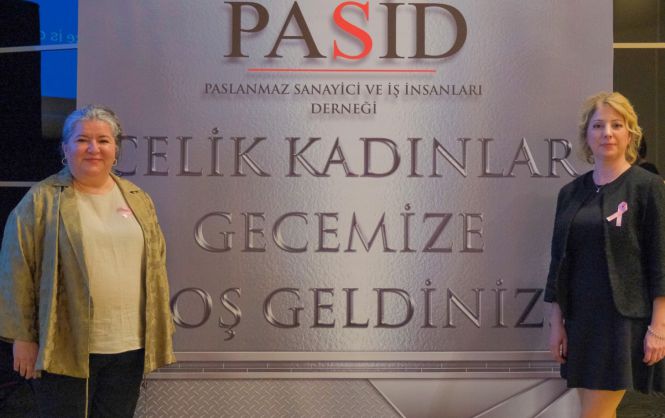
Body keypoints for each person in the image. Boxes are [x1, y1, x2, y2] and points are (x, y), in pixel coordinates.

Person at [0, 105, 175, 417]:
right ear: (65, 149)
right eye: (82, 140)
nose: (94, 148)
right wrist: (22, 337)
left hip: (129, 345)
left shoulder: (137, 197)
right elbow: (16, 270)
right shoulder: (42, 199)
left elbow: (156, 266)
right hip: (64, 346)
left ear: (115, 150)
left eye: (103, 140)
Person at [544, 91, 665, 418]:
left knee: (594, 413)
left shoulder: (648, 187)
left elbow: (660, 260)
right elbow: (559, 263)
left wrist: (659, 327)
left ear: (630, 133)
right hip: (581, 320)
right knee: (597, 412)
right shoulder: (570, 193)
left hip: (622, 322)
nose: (607, 133)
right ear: (587, 135)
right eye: (598, 126)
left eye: (616, 125)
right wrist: (557, 323)